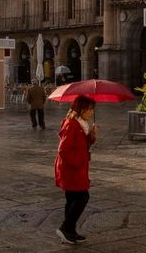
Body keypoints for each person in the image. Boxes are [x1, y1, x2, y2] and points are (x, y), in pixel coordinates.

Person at [54, 95, 97, 244]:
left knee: (71, 199)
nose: (91, 112)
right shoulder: (71, 125)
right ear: (82, 109)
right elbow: (63, 150)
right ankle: (65, 228)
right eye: (89, 109)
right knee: (82, 197)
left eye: (92, 109)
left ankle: (70, 232)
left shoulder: (81, 124)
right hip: (71, 169)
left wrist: (91, 135)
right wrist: (78, 162)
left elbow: (83, 144)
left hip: (77, 168)